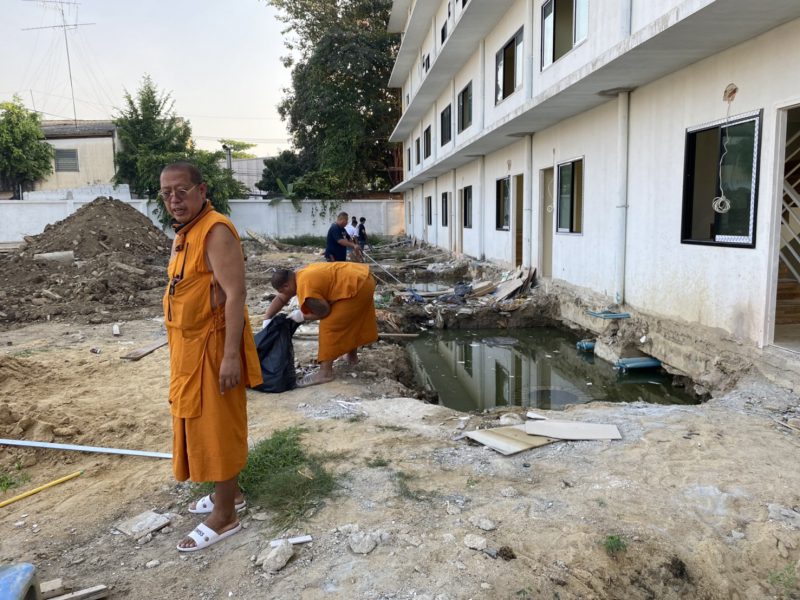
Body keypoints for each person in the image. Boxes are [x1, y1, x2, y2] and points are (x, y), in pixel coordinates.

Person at [160, 161, 262, 552]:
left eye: (181, 190)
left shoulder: (216, 230)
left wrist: (231, 357)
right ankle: (229, 495)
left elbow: (235, 294)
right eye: (167, 193)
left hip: (214, 348)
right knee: (200, 424)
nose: (174, 199)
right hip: (188, 348)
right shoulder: (184, 233)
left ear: (202, 191)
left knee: (218, 428)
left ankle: (226, 517)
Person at [264, 262, 378, 387]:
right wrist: (267, 318)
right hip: (362, 278)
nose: (283, 294)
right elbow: (281, 298)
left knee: (331, 325)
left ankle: (325, 373)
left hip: (358, 287)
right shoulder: (298, 275)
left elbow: (323, 312)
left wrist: (301, 316)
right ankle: (352, 357)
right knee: (350, 320)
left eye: (282, 291)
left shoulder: (305, 285)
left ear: (286, 285)